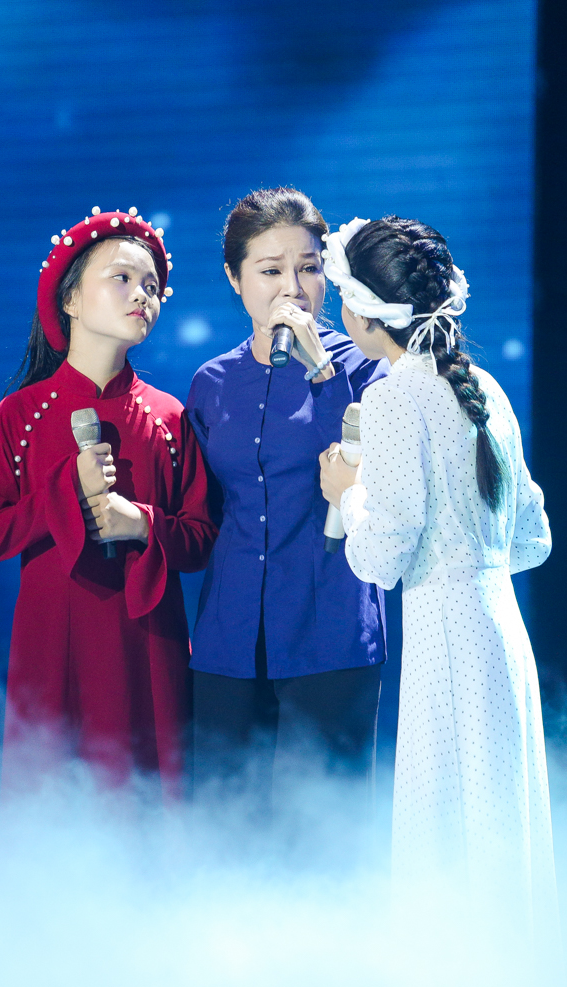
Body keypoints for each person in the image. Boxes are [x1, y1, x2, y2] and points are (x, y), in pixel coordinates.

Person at [318, 216, 558, 945]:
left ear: (365, 312)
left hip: (446, 637)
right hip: (502, 629)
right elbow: (533, 539)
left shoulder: (395, 397)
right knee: (499, 824)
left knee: (447, 834)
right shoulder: (482, 387)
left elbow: (378, 557)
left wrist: (348, 494)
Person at [0, 206, 216, 801]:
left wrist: (143, 524)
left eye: (151, 285)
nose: (142, 295)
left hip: (146, 644)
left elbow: (202, 539)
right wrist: (65, 490)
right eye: (122, 278)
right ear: (70, 299)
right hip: (53, 643)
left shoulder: (171, 417)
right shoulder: (19, 417)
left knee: (148, 801)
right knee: (53, 806)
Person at [185, 188, 388, 817]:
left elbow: (365, 478)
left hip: (330, 631)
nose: (293, 289)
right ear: (235, 279)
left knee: (322, 836)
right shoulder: (211, 383)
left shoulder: (366, 368)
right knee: (224, 825)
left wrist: (321, 370)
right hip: (229, 638)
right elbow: (206, 512)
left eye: (308, 268)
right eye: (271, 271)